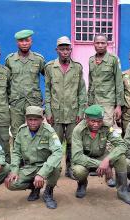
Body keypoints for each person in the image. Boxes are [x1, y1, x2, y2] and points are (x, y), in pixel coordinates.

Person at [72, 105, 130, 205]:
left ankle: (122, 191)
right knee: (78, 171)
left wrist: (107, 160)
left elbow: (122, 145)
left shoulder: (106, 127)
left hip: (102, 156)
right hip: (85, 160)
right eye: (92, 121)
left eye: (99, 121)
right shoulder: (78, 130)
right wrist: (101, 164)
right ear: (86, 119)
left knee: (121, 158)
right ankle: (82, 184)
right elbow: (77, 157)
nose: (96, 124)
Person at [45, 36, 87, 179]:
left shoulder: (77, 67)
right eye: (62, 49)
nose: (65, 52)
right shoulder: (50, 67)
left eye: (67, 49)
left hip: (73, 112)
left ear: (71, 49)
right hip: (55, 113)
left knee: (72, 142)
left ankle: (70, 169)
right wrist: (48, 111)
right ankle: (55, 168)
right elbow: (47, 90)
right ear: (57, 50)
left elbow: (82, 91)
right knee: (55, 142)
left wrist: (81, 111)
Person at [5, 106, 62, 209]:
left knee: (56, 167)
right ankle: (35, 187)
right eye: (30, 119)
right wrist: (14, 170)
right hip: (29, 167)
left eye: (36, 119)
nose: (33, 122)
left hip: (45, 166)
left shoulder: (49, 131)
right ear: (26, 120)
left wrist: (42, 173)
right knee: (11, 184)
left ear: (42, 119)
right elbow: (16, 152)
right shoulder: (21, 131)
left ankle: (48, 192)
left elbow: (58, 152)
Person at [5, 29, 45, 138]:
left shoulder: (38, 59)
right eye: (21, 41)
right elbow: (6, 82)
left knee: (36, 131)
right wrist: (9, 97)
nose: (24, 43)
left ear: (31, 42)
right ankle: (18, 155)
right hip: (16, 103)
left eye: (27, 40)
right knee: (16, 132)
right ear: (17, 43)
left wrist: (47, 96)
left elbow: (50, 78)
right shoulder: (10, 60)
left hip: (33, 101)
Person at [88, 33, 123, 127]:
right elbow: (91, 82)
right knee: (94, 126)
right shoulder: (91, 60)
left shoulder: (113, 59)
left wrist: (118, 105)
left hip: (108, 101)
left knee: (106, 126)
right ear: (94, 44)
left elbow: (119, 83)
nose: (100, 45)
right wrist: (89, 102)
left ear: (107, 44)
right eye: (97, 43)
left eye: (103, 43)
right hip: (94, 101)